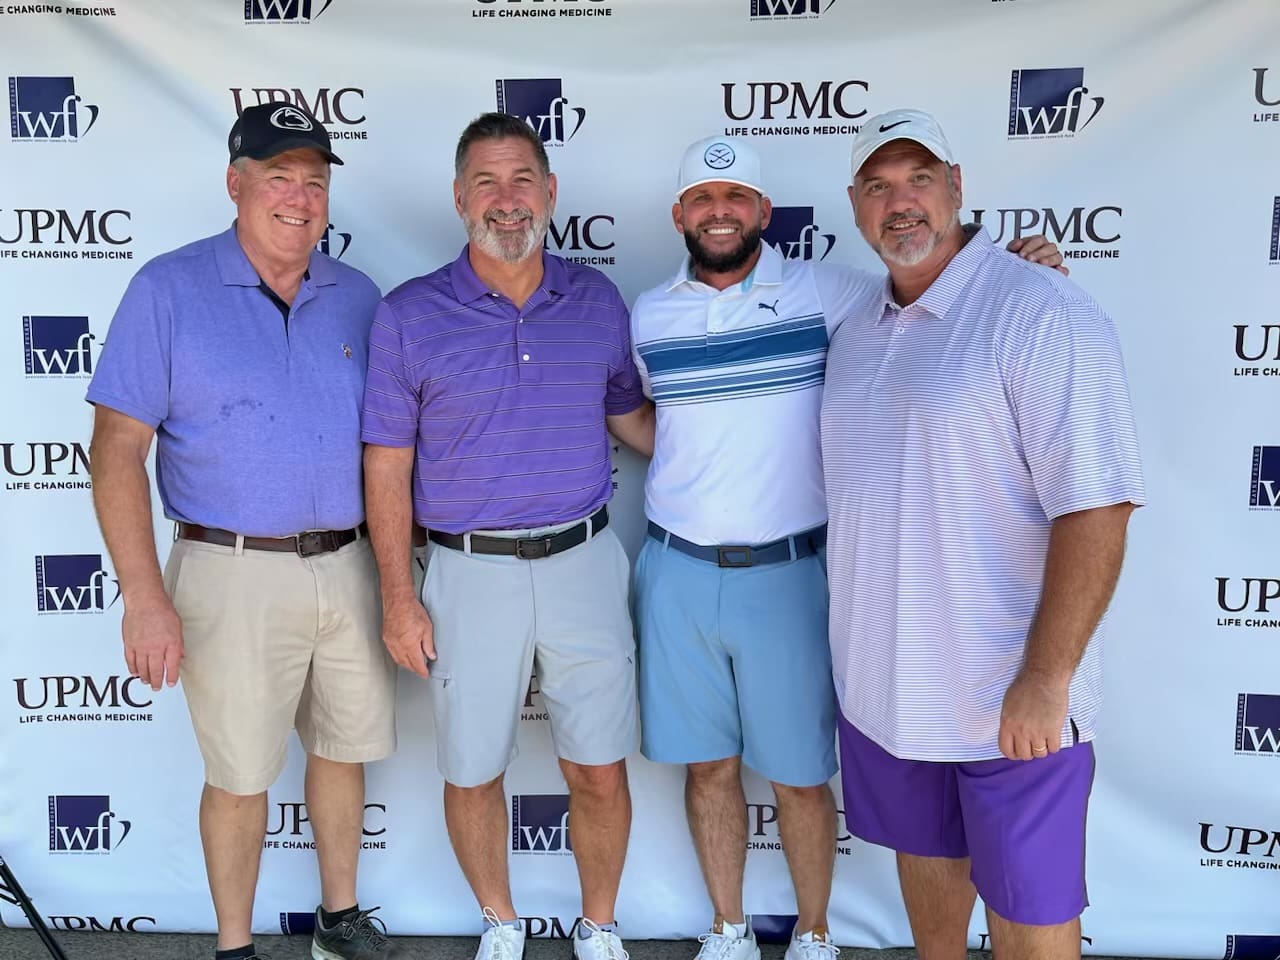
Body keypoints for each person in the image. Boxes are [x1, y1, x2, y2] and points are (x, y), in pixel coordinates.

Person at [627, 134, 1064, 960]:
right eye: (703, 199)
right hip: (677, 569)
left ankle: (815, 931)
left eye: (736, 198)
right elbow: (646, 420)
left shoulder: (834, 293)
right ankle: (726, 928)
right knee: (708, 769)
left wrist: (1024, 266)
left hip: (791, 574)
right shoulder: (650, 312)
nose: (719, 212)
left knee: (798, 774)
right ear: (681, 215)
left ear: (763, 212)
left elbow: (940, 288)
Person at [822, 109, 1145, 960]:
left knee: (1031, 922)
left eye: (920, 178)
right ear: (853, 205)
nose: (901, 203)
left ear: (958, 188)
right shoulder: (857, 329)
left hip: (1010, 700)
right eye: (880, 186)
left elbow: (1097, 505)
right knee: (931, 902)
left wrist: (1047, 679)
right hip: (888, 696)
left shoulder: (1039, 310)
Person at [86, 103, 404, 960]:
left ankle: (339, 921)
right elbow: (116, 455)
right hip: (227, 569)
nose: (299, 198)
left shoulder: (359, 296)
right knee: (239, 775)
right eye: (277, 178)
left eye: (314, 180)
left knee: (343, 751)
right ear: (235, 184)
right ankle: (235, 946)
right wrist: (143, 595)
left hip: (347, 564)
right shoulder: (168, 288)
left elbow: (392, 443)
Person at [361, 112, 654, 960]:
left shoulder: (596, 301)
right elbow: (386, 469)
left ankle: (598, 925)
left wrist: (739, 451)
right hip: (465, 571)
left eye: (522, 179)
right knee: (471, 769)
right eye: (485, 182)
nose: (506, 199)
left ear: (551, 192)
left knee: (599, 767)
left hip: (585, 561)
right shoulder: (410, 314)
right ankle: (500, 920)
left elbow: (633, 420)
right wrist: (397, 596)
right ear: (459, 198)